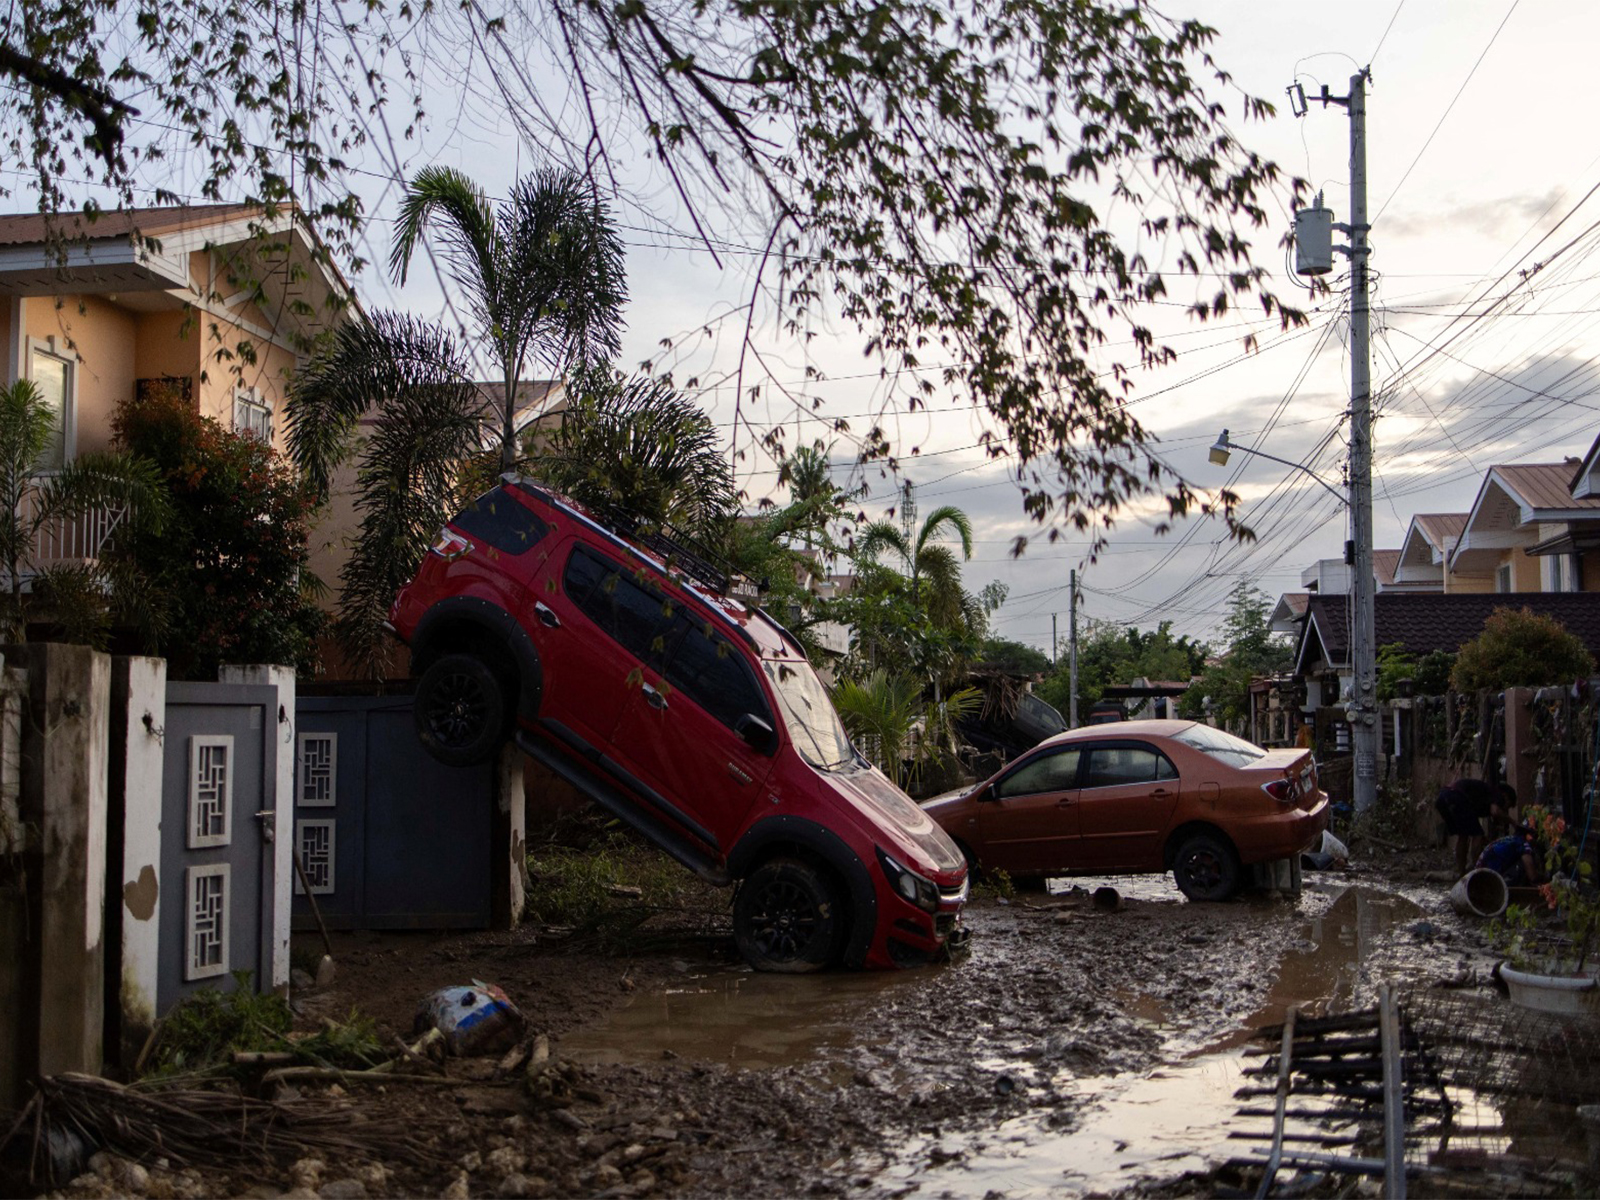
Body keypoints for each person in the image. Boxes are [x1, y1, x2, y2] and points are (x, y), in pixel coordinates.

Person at [1435, 777, 1497, 877]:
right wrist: (1513, 823)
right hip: (1455, 797)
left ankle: (1461, 871)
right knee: (1477, 834)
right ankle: (1477, 871)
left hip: (1442, 798)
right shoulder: (1495, 795)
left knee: (1463, 836)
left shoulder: (1478, 796)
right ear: (1506, 796)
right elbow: (1496, 811)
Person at [1475, 823, 1540, 887]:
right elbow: (1532, 875)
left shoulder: (1509, 839)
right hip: (1489, 878)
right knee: (1522, 864)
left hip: (1479, 874)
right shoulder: (1523, 844)